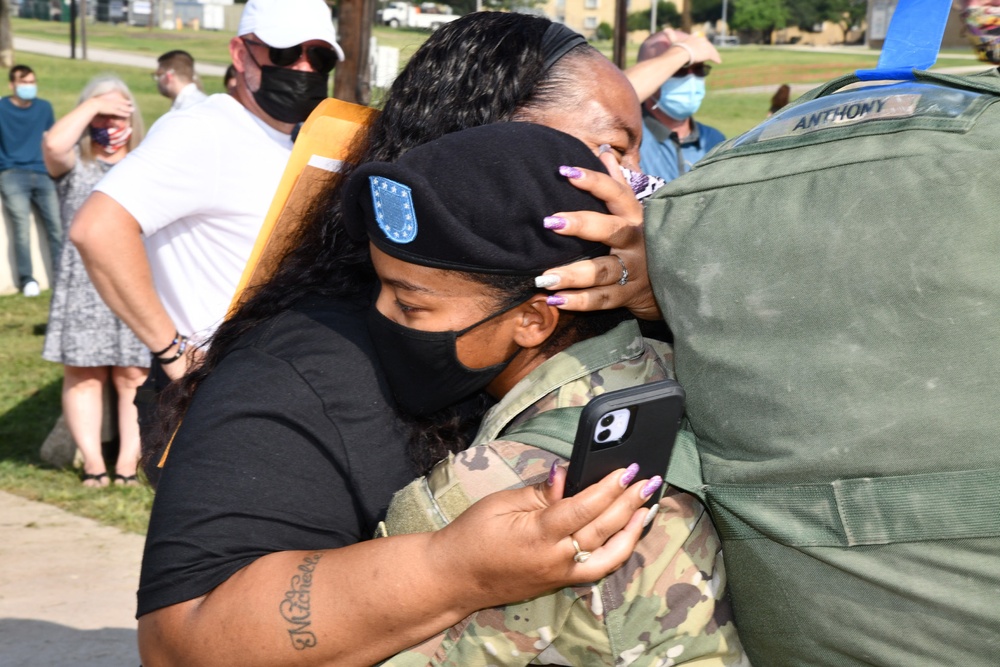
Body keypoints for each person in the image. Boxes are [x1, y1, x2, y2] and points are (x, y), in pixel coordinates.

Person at [136, 13, 672, 667]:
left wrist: (657, 297)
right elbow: (181, 641)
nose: (634, 190)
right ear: (478, 143)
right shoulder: (301, 369)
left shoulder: (625, 317)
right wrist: (451, 571)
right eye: (609, 153)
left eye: (638, 161)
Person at [342, 121, 744, 666]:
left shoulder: (486, 493)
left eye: (411, 305)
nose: (382, 316)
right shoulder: (681, 364)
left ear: (532, 319)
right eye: (378, 286)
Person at [72, 0, 345, 382]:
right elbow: (97, 229)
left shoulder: (298, 138)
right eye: (284, 52)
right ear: (239, 53)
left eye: (319, 56)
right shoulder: (205, 131)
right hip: (209, 387)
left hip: (266, 378)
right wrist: (173, 352)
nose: (303, 67)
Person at [40, 75, 148, 488]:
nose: (109, 124)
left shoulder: (145, 163)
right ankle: (93, 465)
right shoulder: (73, 164)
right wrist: (92, 104)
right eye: (101, 114)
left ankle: (125, 466)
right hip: (81, 287)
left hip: (132, 281)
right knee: (84, 376)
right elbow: (52, 144)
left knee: (132, 377)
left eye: (118, 113)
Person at [624, 29, 725, 182]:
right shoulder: (627, 139)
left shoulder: (715, 141)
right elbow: (611, 99)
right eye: (678, 70)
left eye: (699, 69)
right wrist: (684, 52)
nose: (691, 78)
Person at [0, 64, 62, 297]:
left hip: (43, 173)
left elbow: (51, 140)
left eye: (31, 82)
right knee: (21, 228)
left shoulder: (44, 108)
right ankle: (28, 280)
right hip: (11, 174)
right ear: (12, 85)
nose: (29, 87)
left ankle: (60, 276)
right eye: (24, 82)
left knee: (56, 226)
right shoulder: (1, 108)